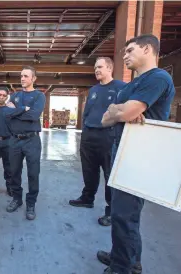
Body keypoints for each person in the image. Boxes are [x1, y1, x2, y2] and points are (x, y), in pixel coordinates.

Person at [97, 34, 175, 274]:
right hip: (121, 150)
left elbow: (127, 112)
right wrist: (119, 111)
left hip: (139, 155)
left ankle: (125, 267)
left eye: (130, 50)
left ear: (147, 49)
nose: (125, 55)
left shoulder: (159, 78)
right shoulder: (131, 84)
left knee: (125, 215)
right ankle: (125, 257)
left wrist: (121, 111)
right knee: (121, 213)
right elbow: (104, 118)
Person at [69, 57, 126, 226]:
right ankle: (87, 198)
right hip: (89, 136)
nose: (96, 70)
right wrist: (85, 131)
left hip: (108, 137)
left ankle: (111, 211)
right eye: (95, 67)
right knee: (89, 170)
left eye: (100, 67)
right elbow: (86, 113)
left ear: (109, 68)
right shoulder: (93, 89)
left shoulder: (121, 88)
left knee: (109, 175)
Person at [5, 66, 46, 220]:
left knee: (33, 173)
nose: (22, 79)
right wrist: (23, 109)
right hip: (15, 140)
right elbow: (7, 114)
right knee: (14, 171)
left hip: (32, 140)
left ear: (33, 79)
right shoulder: (15, 96)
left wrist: (17, 111)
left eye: (26, 76)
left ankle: (31, 203)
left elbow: (34, 115)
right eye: (21, 76)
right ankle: (17, 198)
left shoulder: (39, 96)